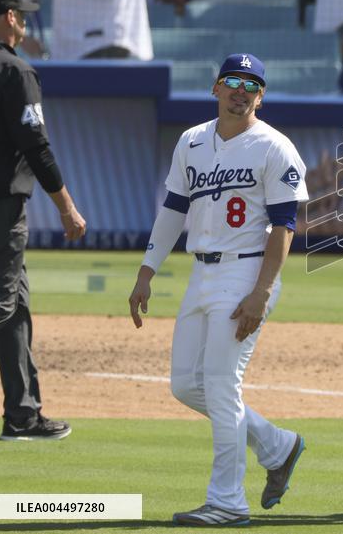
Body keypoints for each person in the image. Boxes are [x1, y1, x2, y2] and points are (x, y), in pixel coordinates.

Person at [128, 53, 308, 526]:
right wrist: (147, 269)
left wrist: (262, 291)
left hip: (245, 273)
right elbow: (172, 209)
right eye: (232, 80)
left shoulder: (275, 147)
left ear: (261, 97)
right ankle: (277, 445)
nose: (240, 90)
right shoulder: (191, 142)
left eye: (251, 84)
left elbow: (284, 227)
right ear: (215, 88)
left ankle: (227, 502)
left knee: (223, 386)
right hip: (201, 272)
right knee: (187, 384)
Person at [0, 0, 86, 441]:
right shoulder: (13, 70)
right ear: (8, 18)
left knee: (16, 305)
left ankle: (22, 415)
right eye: (20, 15)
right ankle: (23, 413)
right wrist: (66, 206)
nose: (23, 22)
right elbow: (35, 145)